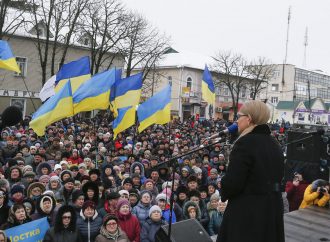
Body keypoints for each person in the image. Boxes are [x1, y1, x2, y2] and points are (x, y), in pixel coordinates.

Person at [217, 100, 285, 242]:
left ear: (248, 119)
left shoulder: (244, 143)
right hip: (271, 209)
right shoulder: (274, 143)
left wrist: (223, 186)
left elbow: (233, 182)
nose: (236, 121)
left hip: (247, 212)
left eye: (239, 116)